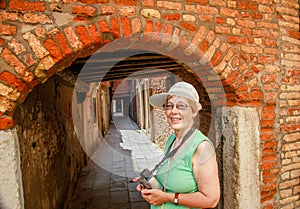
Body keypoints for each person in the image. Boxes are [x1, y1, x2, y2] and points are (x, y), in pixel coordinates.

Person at [133, 81, 220, 209]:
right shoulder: (171, 140)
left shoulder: (202, 148)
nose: (173, 111)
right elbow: (169, 181)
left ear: (194, 112)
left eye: (181, 106)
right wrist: (151, 185)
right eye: (169, 106)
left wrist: (166, 198)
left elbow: (211, 200)